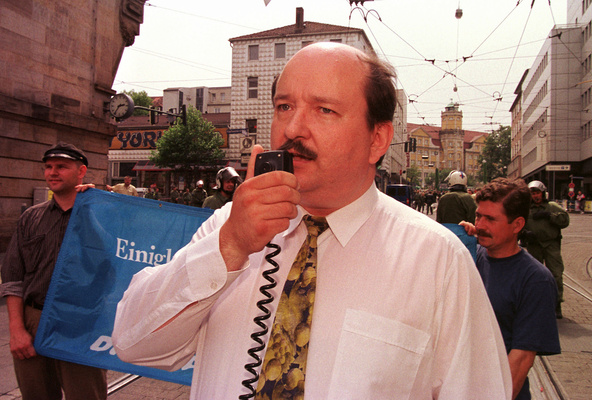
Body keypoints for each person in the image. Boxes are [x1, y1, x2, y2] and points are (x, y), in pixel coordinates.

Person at [112, 43, 511, 399]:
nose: (292, 128)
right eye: (284, 107)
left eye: (324, 110)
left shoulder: (438, 261)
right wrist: (229, 248)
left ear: (377, 139)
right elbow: (133, 344)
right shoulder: (229, 227)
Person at [1, 142, 107, 400]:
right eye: (48, 167)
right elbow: (13, 277)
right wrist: (17, 330)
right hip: (33, 320)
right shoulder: (31, 218)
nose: (53, 172)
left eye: (62, 166)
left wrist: (95, 208)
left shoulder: (103, 215)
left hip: (80, 323)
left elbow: (114, 267)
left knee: (86, 394)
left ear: (81, 171)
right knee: (36, 394)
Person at [460, 178, 560, 400]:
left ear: (517, 225)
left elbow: (521, 360)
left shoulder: (536, 280)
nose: (481, 225)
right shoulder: (471, 256)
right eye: (478, 216)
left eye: (491, 219)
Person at [521, 180, 569, 318]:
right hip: (534, 245)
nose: (535, 196)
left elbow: (565, 220)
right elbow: (518, 224)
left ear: (543, 194)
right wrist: (524, 234)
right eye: (532, 194)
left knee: (556, 275)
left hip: (551, 245)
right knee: (534, 276)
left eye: (537, 193)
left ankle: (556, 304)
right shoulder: (526, 209)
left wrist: (549, 216)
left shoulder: (552, 207)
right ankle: (536, 303)